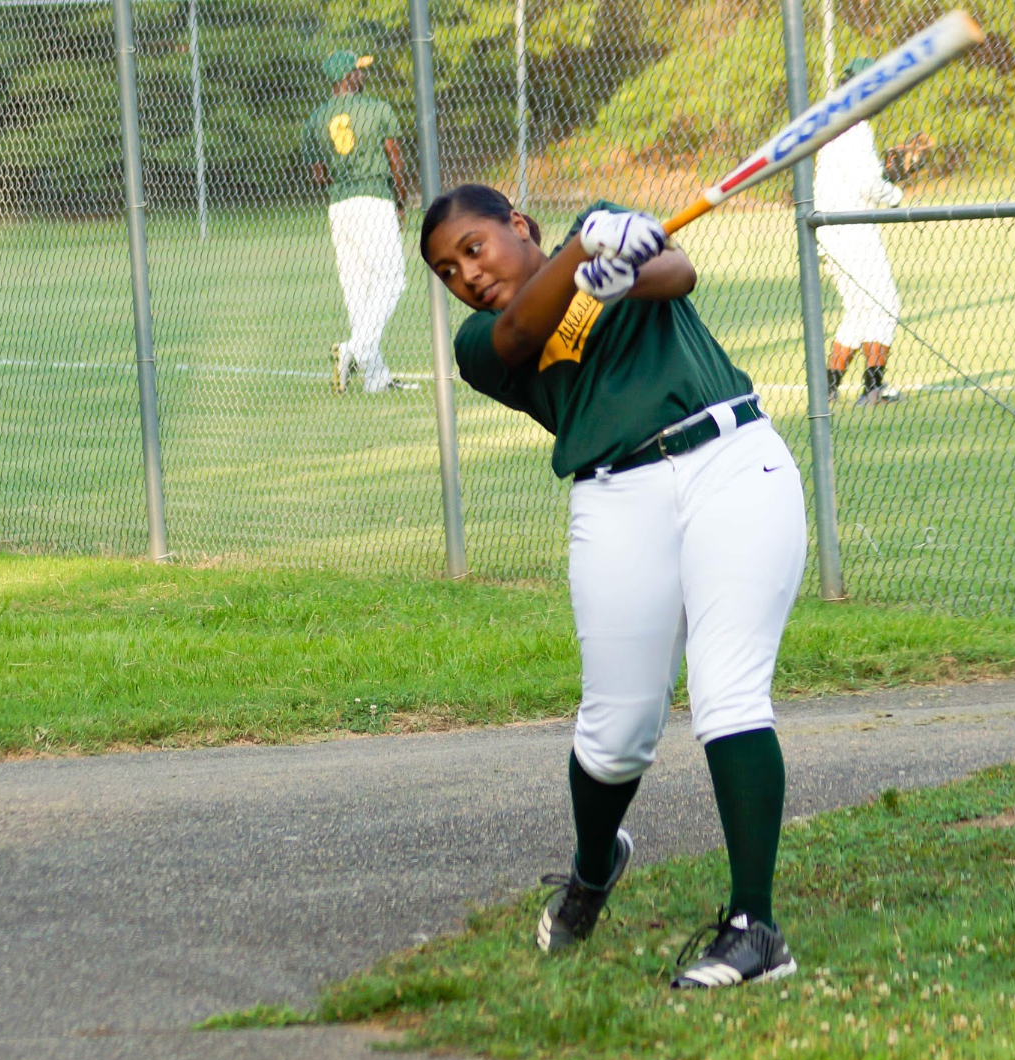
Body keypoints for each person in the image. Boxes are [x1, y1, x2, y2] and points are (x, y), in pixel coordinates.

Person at [418, 185, 808, 989]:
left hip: (732, 462)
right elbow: (525, 328)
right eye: (448, 270)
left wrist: (620, 266)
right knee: (616, 732)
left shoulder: (601, 235)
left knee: (728, 691)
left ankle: (754, 928)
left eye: (474, 248)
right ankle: (594, 873)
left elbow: (681, 272)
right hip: (615, 495)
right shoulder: (477, 342)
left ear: (517, 225)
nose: (465, 274)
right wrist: (582, 254)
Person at [303, 48, 413, 394]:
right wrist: (400, 199)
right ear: (347, 77)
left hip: (339, 206)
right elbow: (395, 160)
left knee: (358, 291)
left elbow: (318, 176)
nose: (363, 75)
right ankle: (354, 350)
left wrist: (341, 169)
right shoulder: (377, 108)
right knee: (393, 281)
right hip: (373, 199)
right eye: (358, 71)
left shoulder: (316, 119)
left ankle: (375, 378)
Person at [815, 57, 904, 407]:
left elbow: (859, 177)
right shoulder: (856, 125)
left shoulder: (836, 120)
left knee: (858, 310)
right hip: (851, 230)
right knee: (885, 305)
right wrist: (894, 192)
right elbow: (867, 183)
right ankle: (872, 389)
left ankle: (828, 386)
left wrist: (885, 175)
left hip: (831, 229)